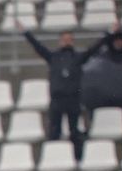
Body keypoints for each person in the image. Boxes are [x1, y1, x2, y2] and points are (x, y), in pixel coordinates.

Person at [22, 27, 111, 156]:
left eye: (69, 40)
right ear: (60, 41)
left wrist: (108, 34)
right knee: (54, 131)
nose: (67, 42)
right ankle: (52, 157)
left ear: (72, 41)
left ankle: (78, 158)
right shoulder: (53, 57)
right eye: (64, 40)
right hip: (57, 99)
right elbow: (38, 46)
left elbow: (93, 49)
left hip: (73, 99)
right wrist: (26, 33)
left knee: (74, 131)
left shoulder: (78, 58)